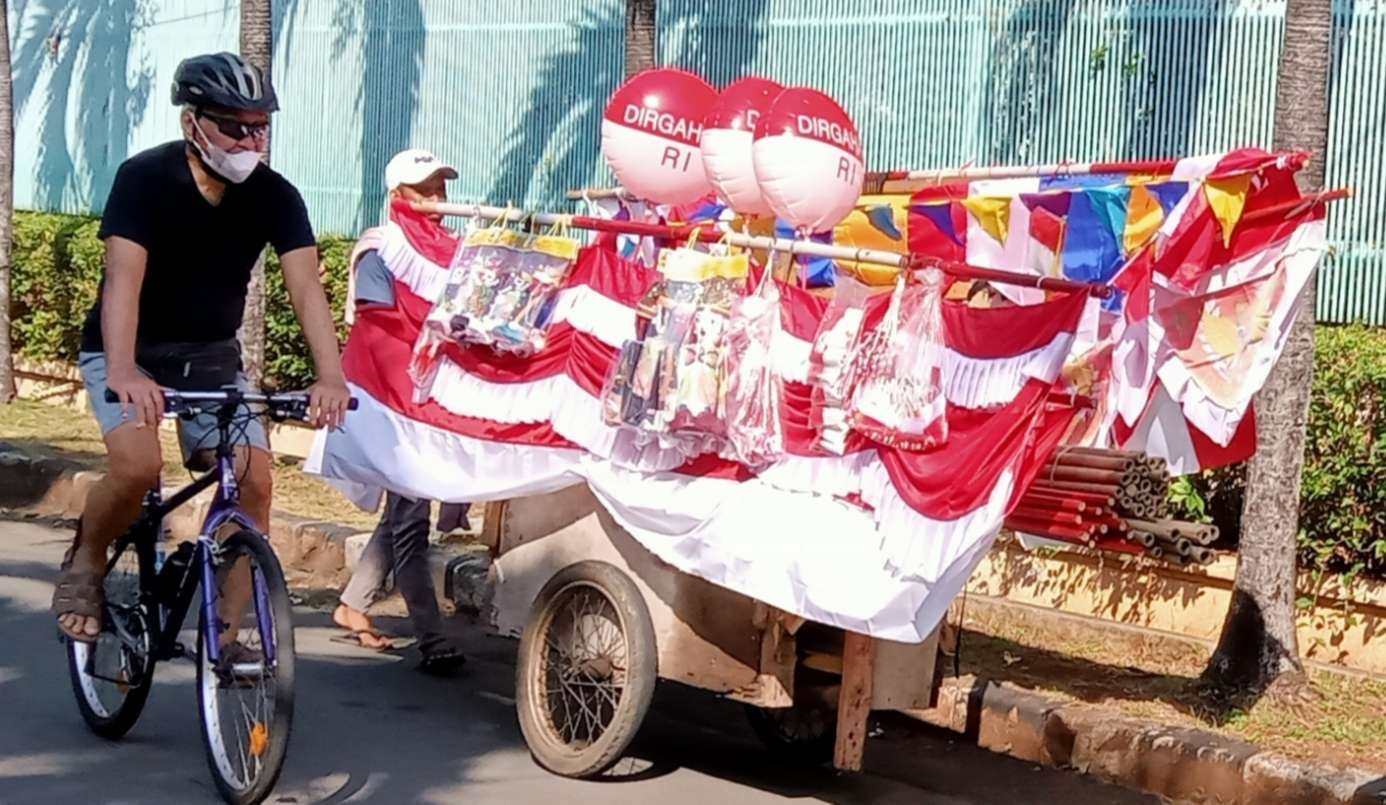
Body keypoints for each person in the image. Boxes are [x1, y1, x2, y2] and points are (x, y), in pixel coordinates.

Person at [52, 52, 351, 643]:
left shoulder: (275, 195)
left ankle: (228, 640)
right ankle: (87, 559)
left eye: (259, 126)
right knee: (138, 467)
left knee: (254, 482)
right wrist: (121, 370)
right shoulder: (145, 178)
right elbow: (122, 279)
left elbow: (307, 287)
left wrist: (330, 377)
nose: (249, 139)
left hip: (211, 355)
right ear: (193, 123)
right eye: (234, 126)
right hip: (130, 351)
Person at [330, 148, 467, 674]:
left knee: (403, 511)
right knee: (411, 515)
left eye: (440, 188)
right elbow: (380, 331)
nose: (436, 200)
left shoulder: (454, 252)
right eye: (424, 190)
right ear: (397, 197)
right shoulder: (381, 251)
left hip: (430, 396)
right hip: (395, 403)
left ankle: (352, 604)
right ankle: (432, 639)